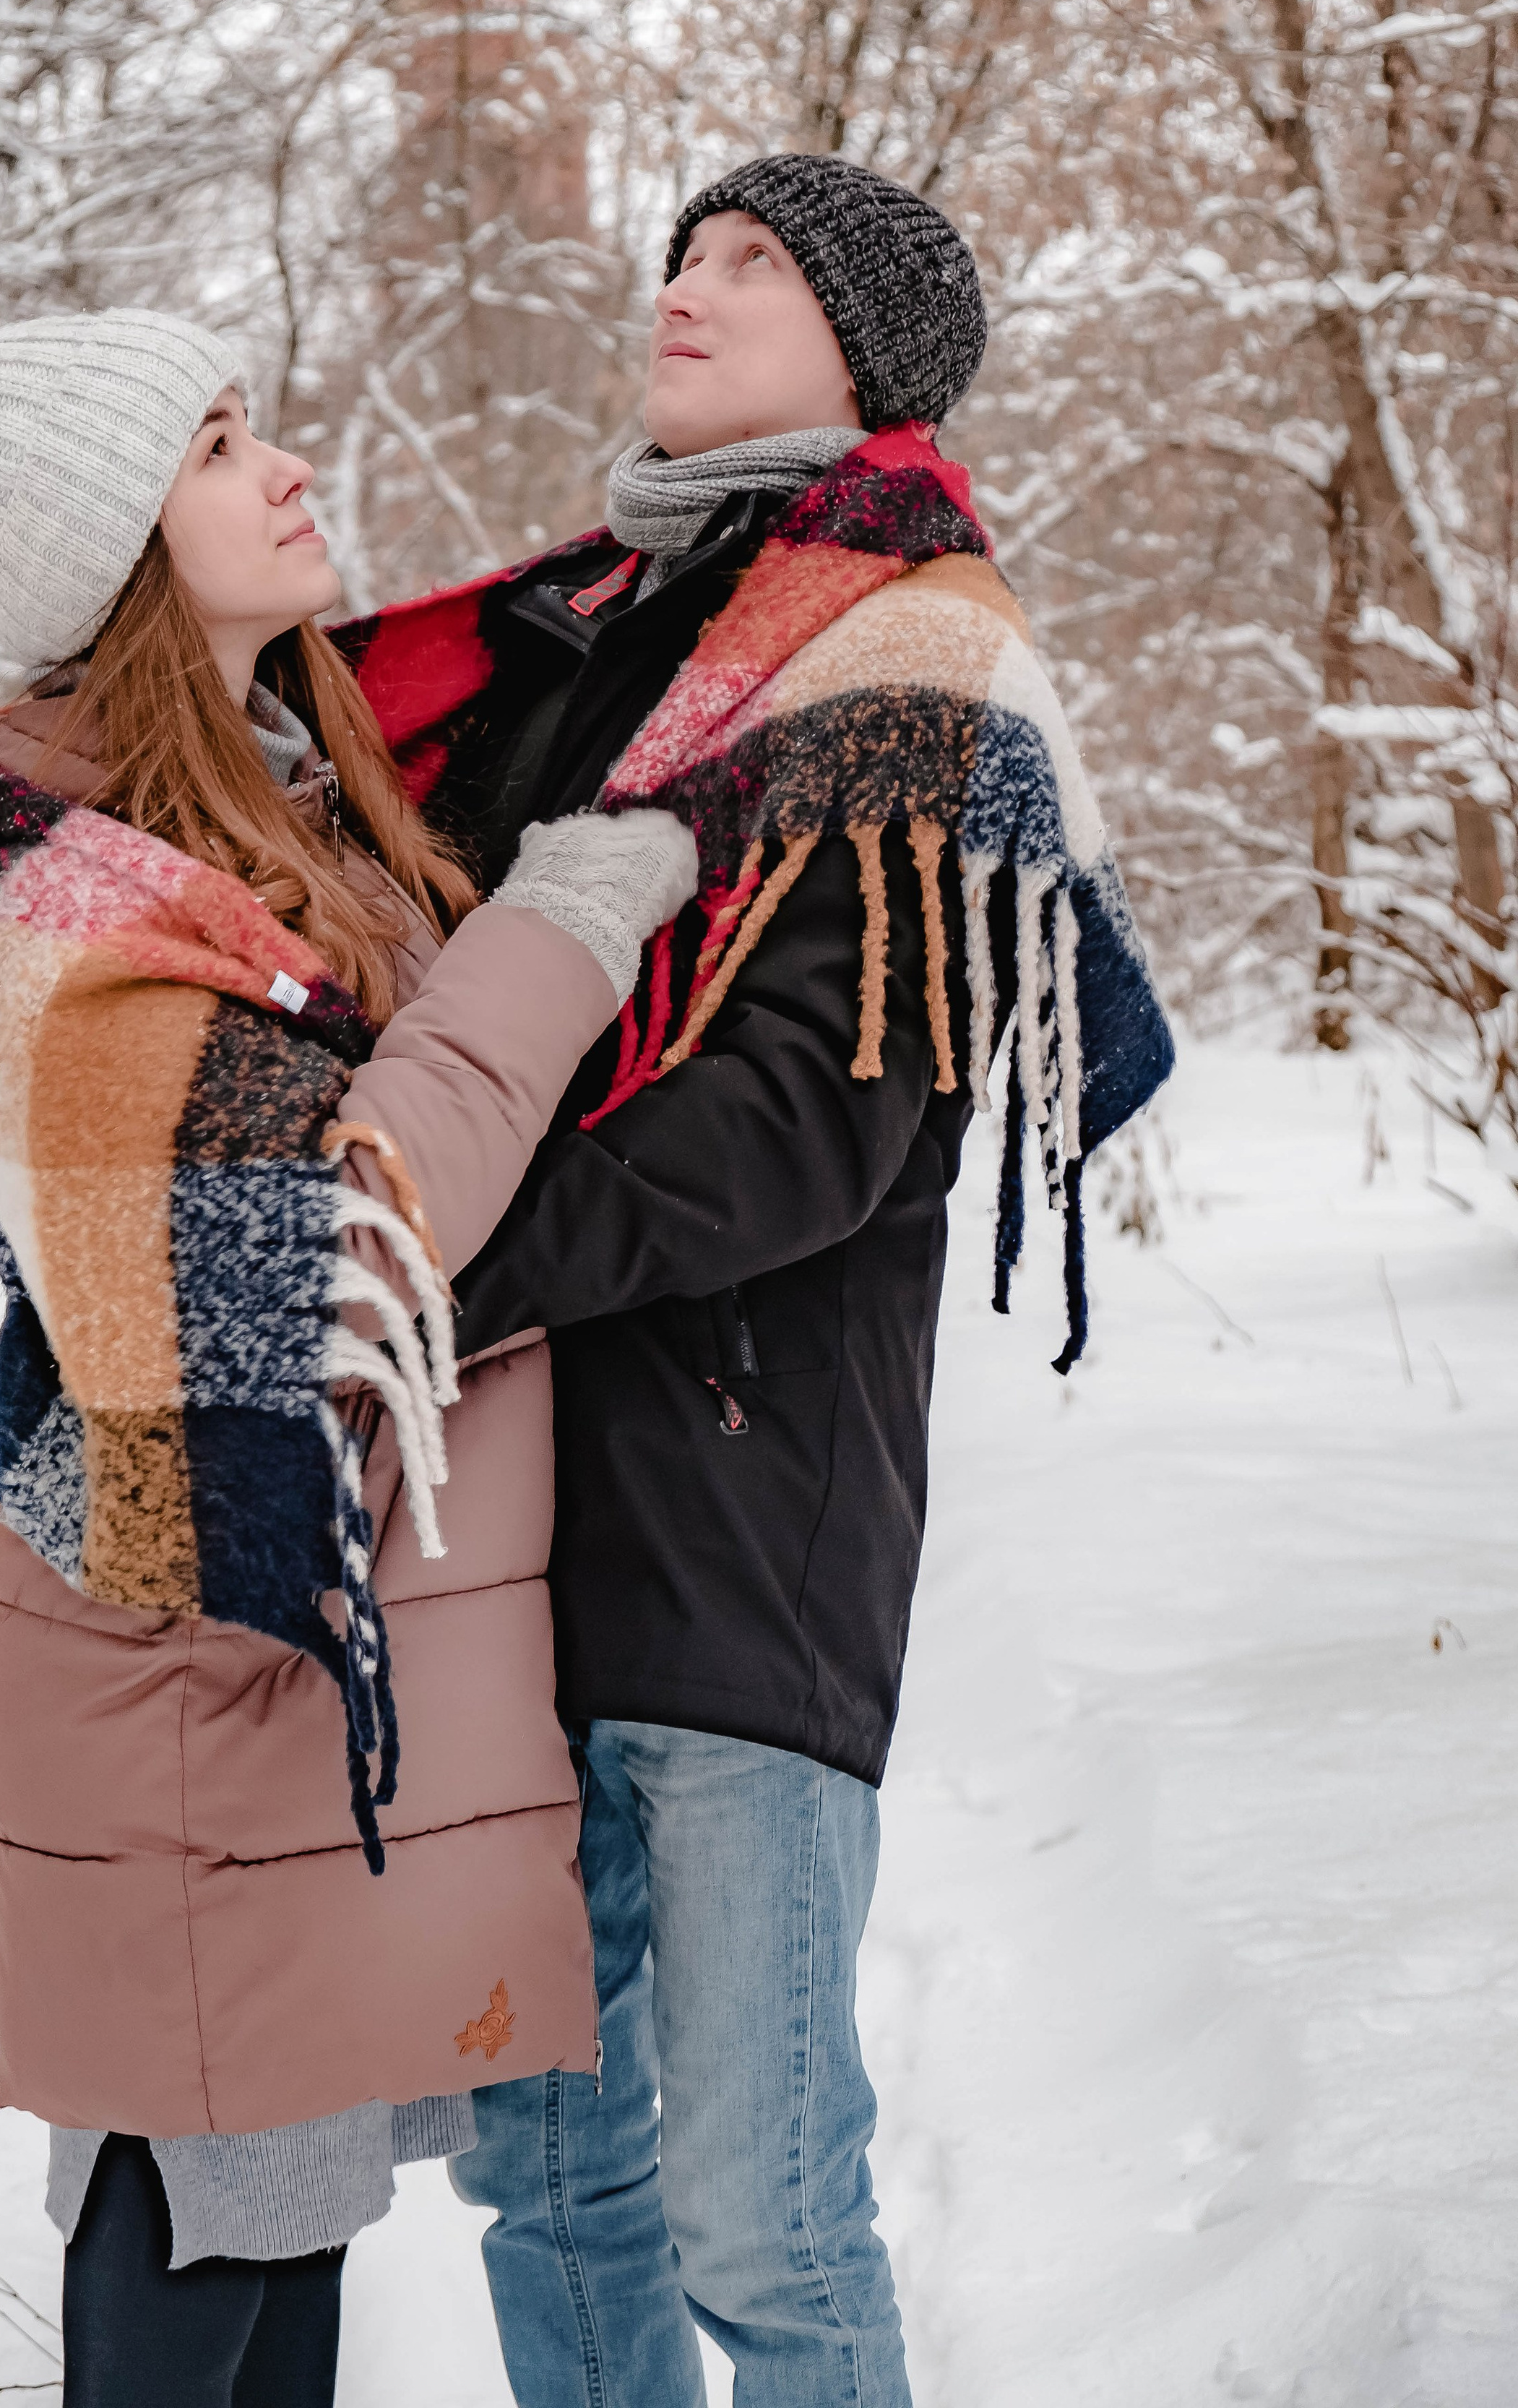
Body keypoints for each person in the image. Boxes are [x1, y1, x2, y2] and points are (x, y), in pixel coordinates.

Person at [332, 155, 1175, 2408]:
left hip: (735, 1512)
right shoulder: (574, 638)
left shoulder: (912, 652)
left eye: (756, 265)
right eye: (685, 252)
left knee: (766, 2221)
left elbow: (825, 1118)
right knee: (549, 2179)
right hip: (496, 1535)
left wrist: (459, 1261)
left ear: (870, 352)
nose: (689, 289)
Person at [0, 308, 700, 2408]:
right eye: (223, 444)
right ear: (115, 544)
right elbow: (326, 1267)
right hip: (175, 1647)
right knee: (197, 2234)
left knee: (287, 2226)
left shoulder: (301, 816)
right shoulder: (66, 896)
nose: (288, 469)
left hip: (285, 1651)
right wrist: (555, 945)